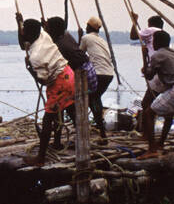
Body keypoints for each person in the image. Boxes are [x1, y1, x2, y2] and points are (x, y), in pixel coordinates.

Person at [20, 18, 74, 166]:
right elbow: (25, 37)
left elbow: (42, 81)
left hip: (59, 82)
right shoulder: (44, 35)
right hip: (69, 74)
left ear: (28, 33)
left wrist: (30, 68)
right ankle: (57, 143)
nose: (22, 31)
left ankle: (41, 158)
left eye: (23, 29)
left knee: (47, 119)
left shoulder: (36, 57)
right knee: (66, 112)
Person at [139, 30, 174, 158]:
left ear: (158, 42)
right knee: (169, 114)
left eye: (154, 41)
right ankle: (160, 144)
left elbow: (149, 75)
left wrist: (145, 58)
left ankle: (152, 149)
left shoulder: (157, 55)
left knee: (148, 113)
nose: (153, 43)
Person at [42, 16, 89, 148]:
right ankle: (76, 140)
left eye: (47, 28)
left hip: (80, 75)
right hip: (75, 76)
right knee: (66, 110)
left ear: (53, 30)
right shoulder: (65, 36)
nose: (45, 30)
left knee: (61, 111)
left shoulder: (58, 46)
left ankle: (80, 141)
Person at [80, 16, 114, 139]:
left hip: (99, 73)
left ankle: (101, 131)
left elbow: (79, 54)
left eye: (87, 25)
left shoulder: (86, 38)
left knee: (92, 98)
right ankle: (100, 128)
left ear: (89, 27)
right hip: (109, 74)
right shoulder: (101, 40)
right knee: (95, 97)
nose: (85, 27)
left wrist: (80, 37)